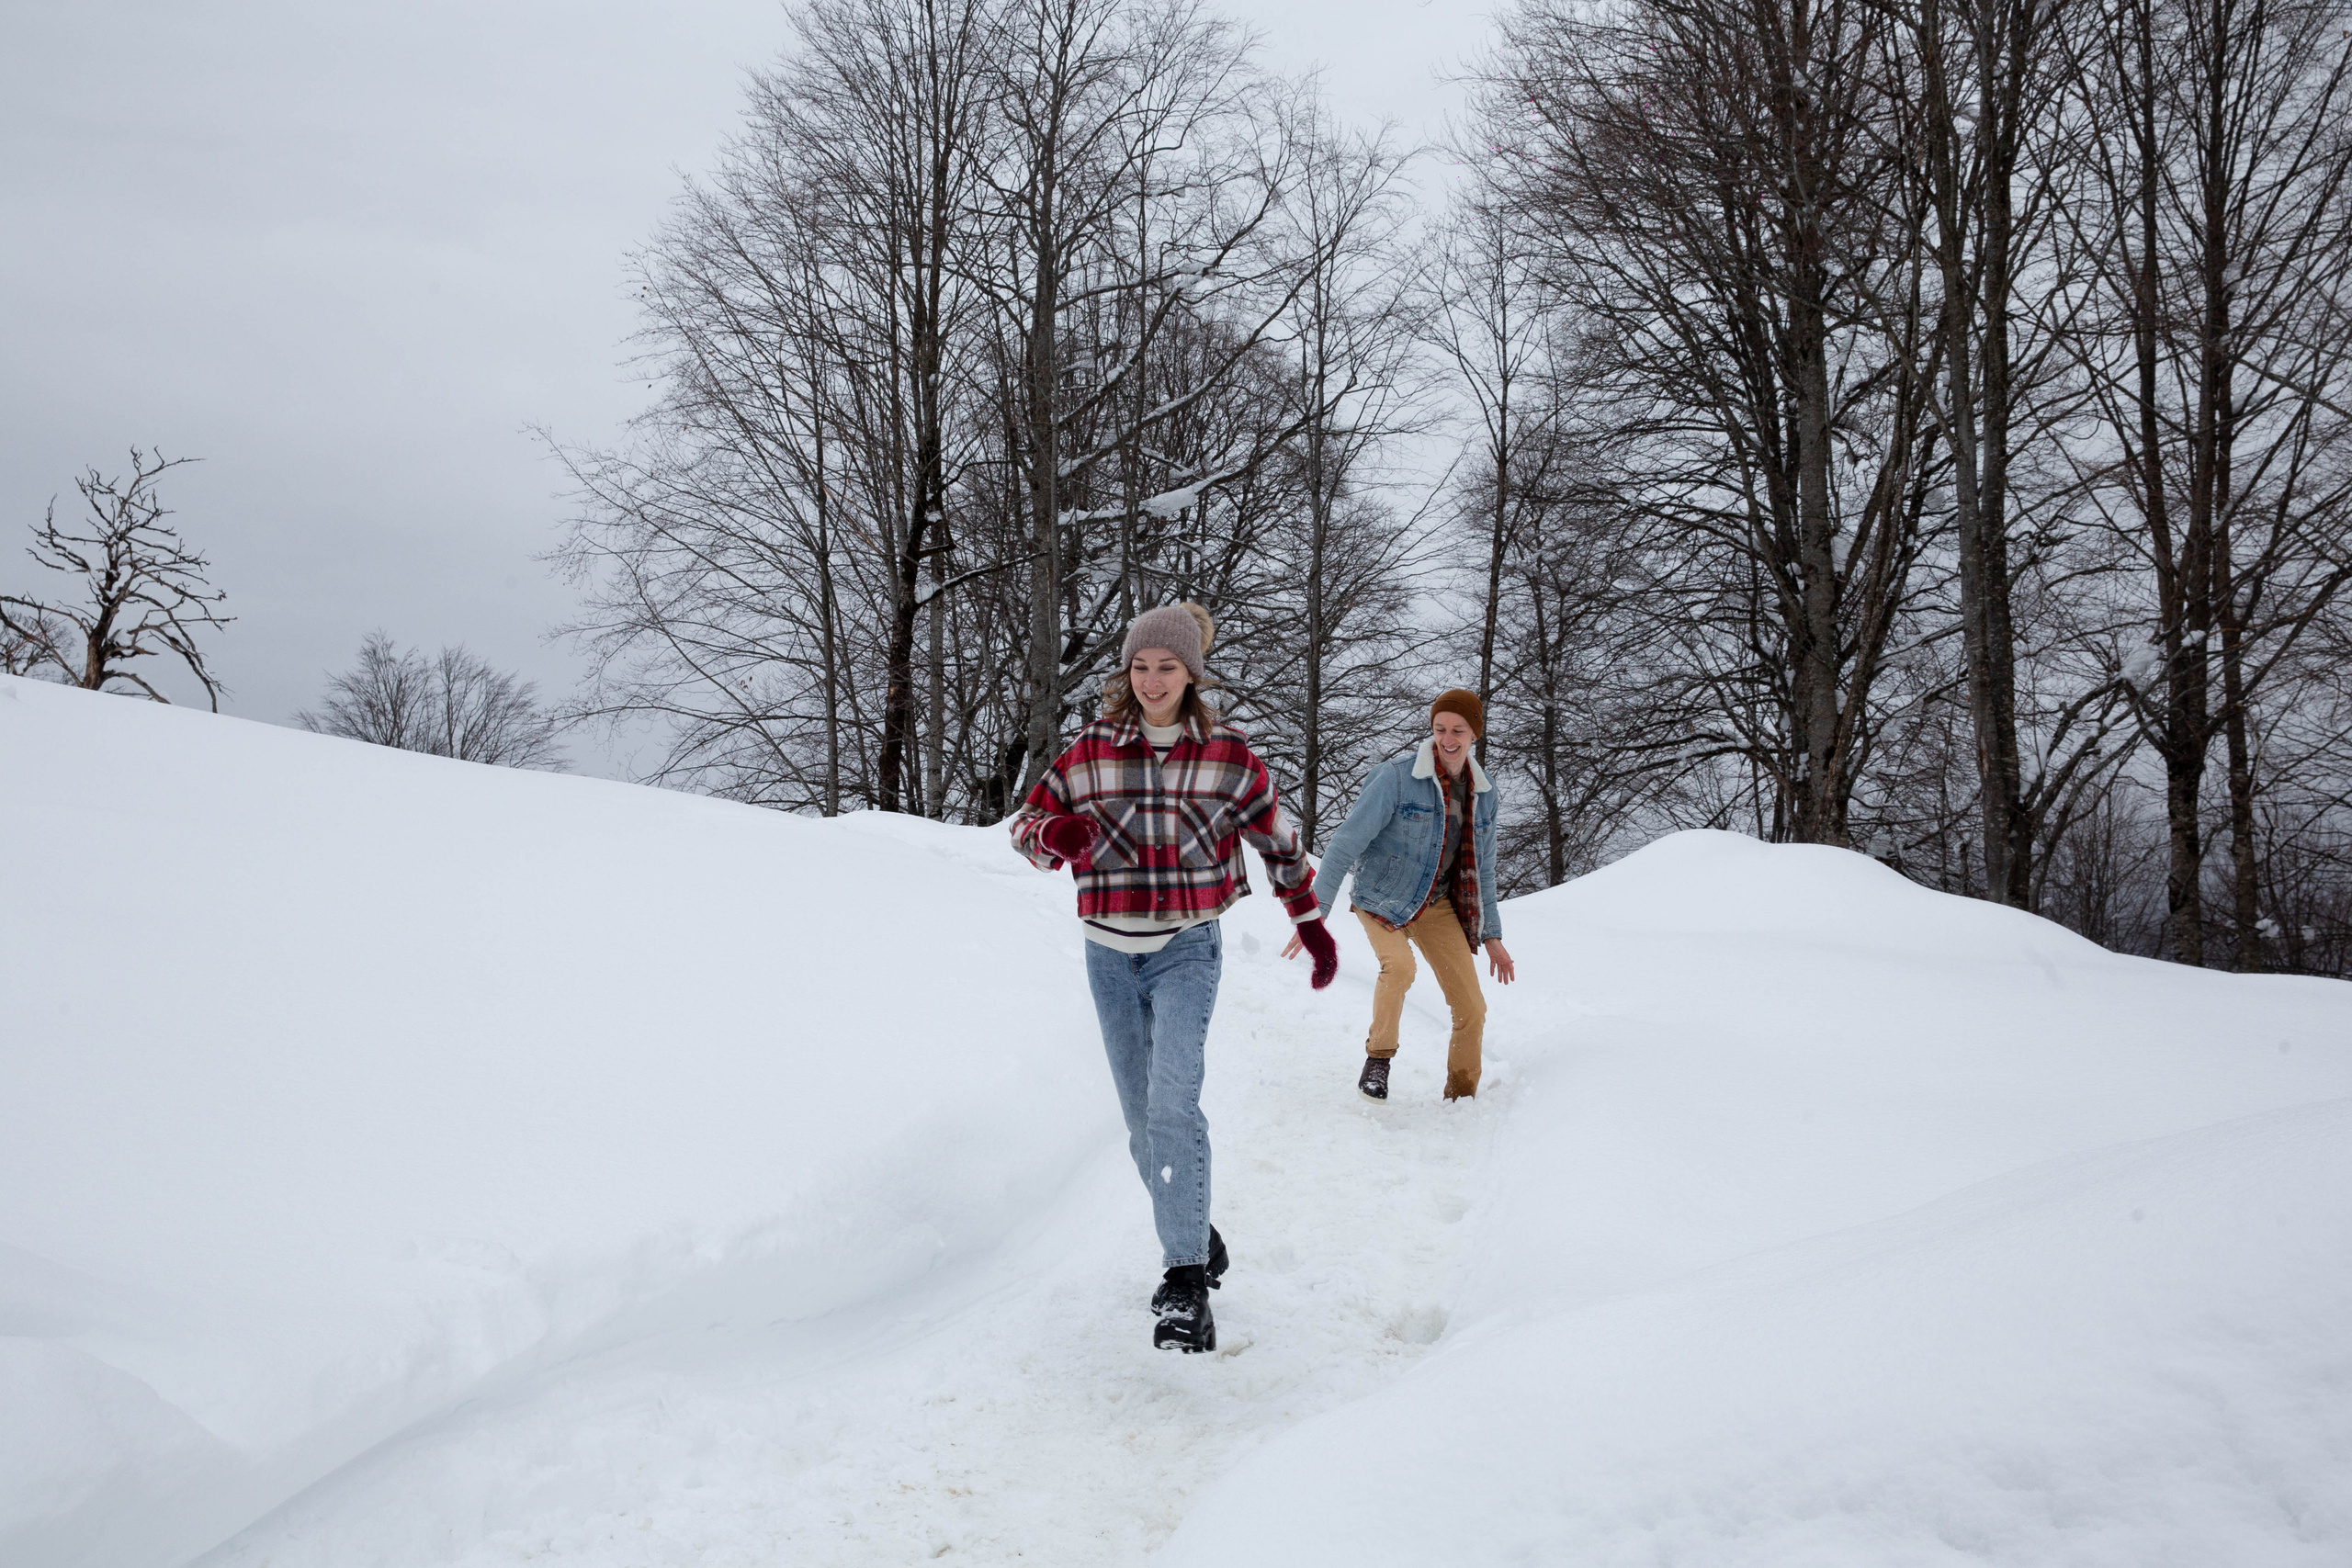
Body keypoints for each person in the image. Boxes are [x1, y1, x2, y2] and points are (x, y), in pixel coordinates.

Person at [1009, 603, 1340, 1353]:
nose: (1152, 679)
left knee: (1172, 1106)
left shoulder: (1227, 754)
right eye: (1140, 665)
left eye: (1167, 666)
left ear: (1191, 673)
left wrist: (1308, 920)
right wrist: (1052, 836)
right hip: (1106, 953)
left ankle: (1185, 1281)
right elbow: (1025, 825)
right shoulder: (1091, 750)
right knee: (1138, 1124)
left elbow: (1278, 841)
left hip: (1187, 947)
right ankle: (1195, 1227)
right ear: (1127, 674)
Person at [1284, 689, 1516, 1103]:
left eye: (1458, 730)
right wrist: (1313, 914)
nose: (1448, 738)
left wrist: (1491, 934)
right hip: (1382, 897)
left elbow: (1484, 869)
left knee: (1472, 1008)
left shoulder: (1486, 794)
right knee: (1401, 968)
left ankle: (1461, 1098)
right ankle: (1379, 1058)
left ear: (1474, 734)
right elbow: (1344, 844)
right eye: (1440, 728)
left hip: (1439, 905)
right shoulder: (1395, 777)